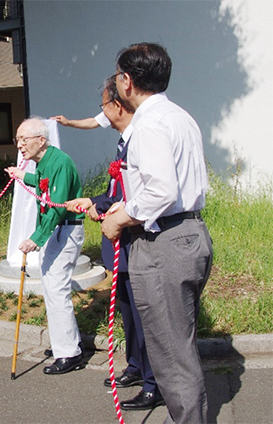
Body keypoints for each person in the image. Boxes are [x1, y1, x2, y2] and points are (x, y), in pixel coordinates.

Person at [101, 43, 212, 424]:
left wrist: (122, 216)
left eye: (118, 75)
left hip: (164, 243)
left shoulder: (147, 122)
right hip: (191, 232)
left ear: (127, 81)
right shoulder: (179, 115)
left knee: (170, 353)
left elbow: (161, 190)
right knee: (180, 345)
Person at [65, 80, 160, 410]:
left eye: (103, 105)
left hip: (138, 242)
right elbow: (115, 194)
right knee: (128, 312)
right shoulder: (124, 142)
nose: (101, 112)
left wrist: (105, 209)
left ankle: (153, 382)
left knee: (142, 312)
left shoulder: (141, 140)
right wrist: (93, 201)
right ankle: (135, 366)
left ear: (118, 106)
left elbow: (138, 199)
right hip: (120, 244)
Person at [5, 117, 85, 375]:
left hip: (66, 229)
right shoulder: (42, 162)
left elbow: (58, 206)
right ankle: (65, 342)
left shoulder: (59, 162)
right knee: (52, 287)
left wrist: (36, 239)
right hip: (58, 230)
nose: (19, 145)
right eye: (18, 139)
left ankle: (69, 353)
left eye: (23, 139)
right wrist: (21, 175)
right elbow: (42, 184)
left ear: (41, 140)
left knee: (56, 288)